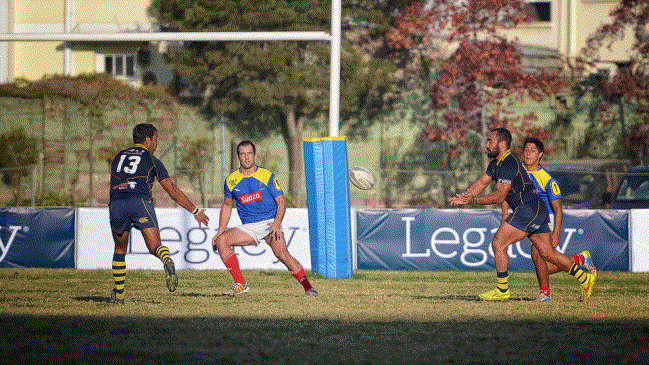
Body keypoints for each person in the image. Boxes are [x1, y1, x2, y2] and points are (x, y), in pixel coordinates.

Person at [448, 128, 596, 302]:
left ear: (502, 144)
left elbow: (500, 196)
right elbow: (482, 182)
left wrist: (472, 201)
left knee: (498, 243)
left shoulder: (508, 163)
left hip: (528, 210)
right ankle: (585, 278)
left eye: (490, 141)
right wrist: (465, 195)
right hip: (536, 209)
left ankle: (502, 290)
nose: (486, 145)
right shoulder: (496, 164)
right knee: (547, 254)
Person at [108, 123, 209, 304]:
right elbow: (172, 191)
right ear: (147, 140)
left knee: (120, 249)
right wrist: (195, 210)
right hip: (139, 202)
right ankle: (166, 259)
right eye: (156, 140)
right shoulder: (153, 160)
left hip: (117, 203)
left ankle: (119, 297)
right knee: (155, 246)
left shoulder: (118, 157)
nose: (156, 144)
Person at [211, 140, 318, 297]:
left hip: (269, 223)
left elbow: (281, 201)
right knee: (222, 241)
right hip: (249, 227)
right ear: (238, 157)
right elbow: (227, 206)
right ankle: (240, 284)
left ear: (255, 156)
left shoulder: (266, 175)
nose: (247, 158)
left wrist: (276, 223)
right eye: (243, 154)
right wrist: (220, 231)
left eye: (249, 154)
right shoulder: (231, 180)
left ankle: (308, 288)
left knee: (282, 255)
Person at [502, 137, 597, 302]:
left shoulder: (547, 178)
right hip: (528, 217)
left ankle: (547, 292)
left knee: (542, 256)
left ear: (540, 155)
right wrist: (505, 214)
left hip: (545, 218)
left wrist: (557, 233)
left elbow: (558, 209)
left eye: (532, 150)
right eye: (526, 150)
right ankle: (579, 260)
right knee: (543, 259)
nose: (528, 153)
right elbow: (505, 192)